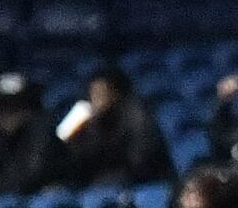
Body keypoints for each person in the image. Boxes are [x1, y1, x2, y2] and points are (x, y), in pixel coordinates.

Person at [40, 68, 170, 191]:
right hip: (94, 182)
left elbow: (141, 163)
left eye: (100, 93)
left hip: (136, 182)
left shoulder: (137, 117)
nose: (95, 99)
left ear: (115, 94)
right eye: (93, 94)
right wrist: (74, 136)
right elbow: (68, 161)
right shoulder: (88, 120)